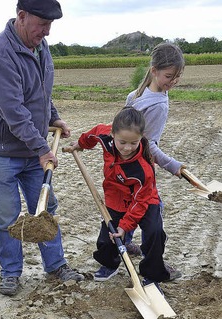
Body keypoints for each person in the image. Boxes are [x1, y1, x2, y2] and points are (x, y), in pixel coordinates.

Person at [0, 0, 84, 296]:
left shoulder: (41, 48)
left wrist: (53, 115)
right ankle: (11, 272)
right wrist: (42, 147)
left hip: (31, 149)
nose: (46, 32)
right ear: (21, 16)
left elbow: (40, 95)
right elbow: (13, 110)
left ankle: (56, 265)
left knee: (45, 208)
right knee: (6, 216)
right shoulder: (0, 52)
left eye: (50, 26)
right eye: (41, 24)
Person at [65, 108, 172, 290]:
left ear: (141, 138)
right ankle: (110, 264)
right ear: (113, 134)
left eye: (134, 143)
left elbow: (141, 201)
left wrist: (126, 225)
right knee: (109, 236)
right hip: (116, 196)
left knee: (154, 233)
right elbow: (93, 135)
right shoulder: (105, 135)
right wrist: (80, 144)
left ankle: (151, 276)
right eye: (122, 142)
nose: (127, 148)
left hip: (143, 200)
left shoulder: (143, 169)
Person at [122, 42, 184, 282]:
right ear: (155, 70)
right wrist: (173, 165)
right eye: (169, 76)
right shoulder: (157, 104)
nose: (173, 81)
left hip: (125, 165)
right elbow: (149, 145)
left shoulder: (135, 95)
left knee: (125, 206)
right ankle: (153, 263)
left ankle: (125, 244)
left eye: (177, 77)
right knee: (152, 214)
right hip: (141, 168)